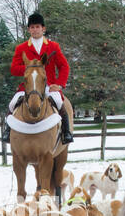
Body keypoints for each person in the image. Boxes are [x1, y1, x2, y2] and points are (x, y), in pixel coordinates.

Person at [8, 12, 75, 145]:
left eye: (37, 27)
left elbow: (64, 66)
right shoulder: (21, 48)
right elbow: (14, 68)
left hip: (49, 85)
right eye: (32, 27)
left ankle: (66, 133)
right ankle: (7, 132)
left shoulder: (53, 46)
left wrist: (59, 84)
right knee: (12, 103)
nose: (35, 30)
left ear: (43, 28)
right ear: (29, 30)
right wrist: (31, 70)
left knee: (59, 102)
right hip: (29, 86)